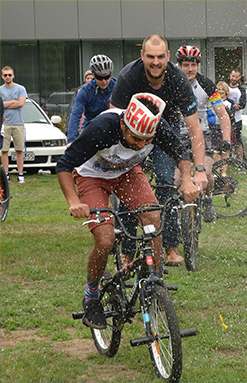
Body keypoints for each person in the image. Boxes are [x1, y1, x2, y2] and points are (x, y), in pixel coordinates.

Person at [56, 93, 198, 329]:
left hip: (127, 174)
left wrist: (187, 179)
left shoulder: (156, 126)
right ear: (123, 125)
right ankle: (91, 296)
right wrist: (73, 201)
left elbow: (180, 152)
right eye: (135, 138)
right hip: (93, 176)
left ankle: (154, 284)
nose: (141, 145)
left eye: (146, 140)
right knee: (105, 239)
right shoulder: (102, 128)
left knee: (153, 219)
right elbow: (64, 165)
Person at [110, 34, 208, 266]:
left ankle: (170, 246)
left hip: (166, 130)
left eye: (161, 57)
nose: (156, 62)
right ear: (142, 56)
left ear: (168, 57)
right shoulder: (128, 76)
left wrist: (200, 169)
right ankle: (128, 249)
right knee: (129, 184)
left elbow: (194, 128)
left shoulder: (178, 78)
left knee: (166, 181)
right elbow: (113, 118)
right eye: (151, 57)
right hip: (133, 130)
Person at [175, 45, 233, 222]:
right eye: (186, 65)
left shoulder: (206, 84)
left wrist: (226, 140)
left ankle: (207, 198)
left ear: (198, 66)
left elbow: (222, 114)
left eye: (193, 65)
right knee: (176, 179)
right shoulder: (171, 82)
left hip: (201, 135)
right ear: (179, 65)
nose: (190, 69)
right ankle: (178, 216)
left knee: (206, 174)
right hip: (178, 135)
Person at [67, 54, 117, 144]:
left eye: (107, 77)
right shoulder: (85, 91)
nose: (104, 82)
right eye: (100, 78)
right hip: (91, 127)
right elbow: (75, 115)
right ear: (93, 74)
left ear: (111, 73)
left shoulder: (117, 86)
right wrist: (71, 141)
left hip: (112, 128)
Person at [1, 66, 28, 184]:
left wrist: (5, 104)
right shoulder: (0, 89)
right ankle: (6, 174)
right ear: (2, 76)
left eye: (9, 75)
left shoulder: (21, 89)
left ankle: (20, 173)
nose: (7, 77)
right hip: (4, 124)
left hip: (18, 124)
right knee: (4, 150)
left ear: (13, 76)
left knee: (19, 150)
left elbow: (21, 103)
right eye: (5, 75)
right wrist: (13, 101)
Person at [227, 68, 246, 161]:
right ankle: (226, 161)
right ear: (230, 75)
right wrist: (232, 105)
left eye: (236, 77)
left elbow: (243, 104)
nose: (234, 78)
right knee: (225, 140)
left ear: (239, 78)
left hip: (237, 118)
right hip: (226, 118)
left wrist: (234, 106)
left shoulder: (241, 89)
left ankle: (240, 163)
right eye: (233, 76)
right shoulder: (226, 87)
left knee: (237, 141)